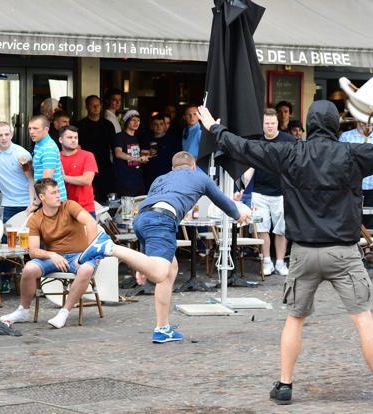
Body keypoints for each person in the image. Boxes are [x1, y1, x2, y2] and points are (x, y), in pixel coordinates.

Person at [197, 101, 373, 408]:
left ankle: (284, 385)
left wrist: (214, 128)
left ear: (309, 125)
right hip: (343, 252)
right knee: (363, 319)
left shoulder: (289, 152)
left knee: (295, 320)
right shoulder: (351, 153)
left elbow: (243, 148)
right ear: (336, 125)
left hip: (304, 253)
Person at [77, 151, 248, 343]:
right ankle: (108, 247)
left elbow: (149, 213)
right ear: (192, 166)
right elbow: (221, 200)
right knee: (159, 273)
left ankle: (162, 328)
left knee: (170, 270)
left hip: (142, 220)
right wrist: (238, 215)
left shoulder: (161, 179)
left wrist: (142, 263)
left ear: (172, 169)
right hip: (162, 220)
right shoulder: (199, 176)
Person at [0, 178, 101, 329]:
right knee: (29, 268)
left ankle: (64, 312)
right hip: (54, 257)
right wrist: (51, 255)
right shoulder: (35, 218)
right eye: (53, 193)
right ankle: (23, 311)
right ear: (42, 197)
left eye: (58, 191)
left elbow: (91, 222)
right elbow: (33, 251)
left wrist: (90, 252)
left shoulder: (69, 206)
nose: (58, 195)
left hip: (79, 255)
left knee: (86, 269)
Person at [0, 121, 35, 293]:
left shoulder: (22, 153)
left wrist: (31, 205)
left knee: (31, 243)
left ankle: (34, 280)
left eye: (7, 134)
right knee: (6, 243)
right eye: (0, 135)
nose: (4, 138)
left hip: (25, 203)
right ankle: (6, 279)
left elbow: (31, 179)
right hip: (8, 203)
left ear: (11, 135)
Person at [243, 108, 295, 276]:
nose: (270, 126)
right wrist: (244, 184)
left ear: (277, 123)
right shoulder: (257, 142)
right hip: (259, 192)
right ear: (262, 125)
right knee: (262, 229)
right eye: (267, 124)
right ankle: (267, 262)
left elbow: (296, 164)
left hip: (282, 192)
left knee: (281, 230)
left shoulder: (288, 140)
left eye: (273, 123)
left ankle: (280, 263)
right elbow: (249, 167)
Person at [340, 121, 373, 230]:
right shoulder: (346, 136)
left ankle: (369, 247)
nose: (367, 123)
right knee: (351, 221)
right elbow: (340, 161)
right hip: (352, 188)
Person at [76, 95, 116, 202]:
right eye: (92, 105)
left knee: (106, 197)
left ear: (101, 106)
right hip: (86, 167)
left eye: (98, 105)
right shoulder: (80, 125)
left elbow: (114, 147)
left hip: (105, 166)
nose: (95, 107)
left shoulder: (108, 125)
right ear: (87, 107)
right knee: (90, 196)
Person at [59, 125, 98, 218]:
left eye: (76, 137)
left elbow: (87, 180)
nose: (73, 140)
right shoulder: (55, 157)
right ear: (60, 140)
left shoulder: (88, 155)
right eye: (69, 137)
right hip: (61, 208)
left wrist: (64, 177)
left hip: (85, 209)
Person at [29, 115, 67, 203]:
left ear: (46, 130)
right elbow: (37, 171)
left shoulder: (48, 148)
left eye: (35, 128)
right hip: (46, 198)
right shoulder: (39, 143)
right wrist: (26, 165)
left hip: (54, 201)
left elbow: (46, 181)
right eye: (30, 128)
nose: (31, 132)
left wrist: (35, 203)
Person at [113, 110, 149, 196]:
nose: (136, 123)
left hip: (138, 180)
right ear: (127, 122)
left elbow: (140, 155)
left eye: (138, 120)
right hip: (125, 180)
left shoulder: (137, 137)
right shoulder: (120, 136)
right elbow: (118, 153)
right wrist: (136, 158)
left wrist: (146, 157)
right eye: (133, 120)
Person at [142, 113, 182, 187]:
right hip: (150, 178)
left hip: (168, 178)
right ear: (151, 126)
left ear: (165, 125)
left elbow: (178, 159)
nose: (158, 126)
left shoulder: (173, 140)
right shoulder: (146, 140)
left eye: (161, 124)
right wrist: (147, 153)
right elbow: (142, 159)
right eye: (155, 124)